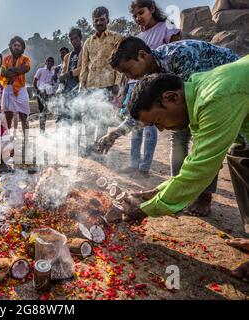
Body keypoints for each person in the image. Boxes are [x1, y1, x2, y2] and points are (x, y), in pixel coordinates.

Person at [122, 56, 249, 282]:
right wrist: (156, 191)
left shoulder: (214, 98)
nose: (161, 130)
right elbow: (195, 160)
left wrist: (145, 209)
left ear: (171, 98)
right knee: (240, 157)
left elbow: (201, 170)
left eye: (158, 121)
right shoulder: (198, 90)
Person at [99, 37, 240, 216]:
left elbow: (204, 138)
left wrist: (148, 210)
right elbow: (145, 113)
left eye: (128, 70)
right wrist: (115, 134)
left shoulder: (182, 56)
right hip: (215, 97)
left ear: (142, 56)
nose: (129, 77)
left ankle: (203, 196)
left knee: (206, 146)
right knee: (180, 138)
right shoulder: (149, 77)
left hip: (226, 91)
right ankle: (177, 192)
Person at [124, 0, 181, 177]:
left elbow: (177, 54)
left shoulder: (167, 27)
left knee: (150, 127)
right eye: (134, 16)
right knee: (136, 125)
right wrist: (125, 89)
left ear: (152, 9)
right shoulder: (139, 38)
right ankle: (134, 164)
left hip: (157, 87)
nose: (137, 18)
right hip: (137, 86)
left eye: (141, 13)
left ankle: (144, 167)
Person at [79, 6, 123, 154]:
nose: (99, 23)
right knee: (89, 118)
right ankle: (89, 145)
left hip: (108, 85)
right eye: (96, 20)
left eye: (102, 20)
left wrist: (117, 84)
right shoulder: (88, 42)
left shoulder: (116, 38)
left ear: (108, 20)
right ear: (93, 22)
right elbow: (85, 67)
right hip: (91, 85)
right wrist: (81, 87)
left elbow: (119, 62)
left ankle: (100, 145)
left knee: (103, 118)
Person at [0, 36, 31, 136]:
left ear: (22, 48)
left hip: (21, 89)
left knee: (24, 115)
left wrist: (11, 70)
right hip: (8, 89)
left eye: (19, 45)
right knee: (8, 115)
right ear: (11, 47)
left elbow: (26, 68)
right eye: (15, 45)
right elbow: (3, 73)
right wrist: (18, 70)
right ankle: (7, 139)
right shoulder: (6, 59)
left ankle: (26, 139)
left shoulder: (26, 59)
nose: (17, 47)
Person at [33, 57, 55, 133]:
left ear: (53, 64)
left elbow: (52, 84)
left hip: (48, 94)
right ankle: (42, 129)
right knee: (41, 110)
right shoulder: (40, 70)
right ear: (45, 62)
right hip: (40, 93)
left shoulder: (52, 73)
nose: (49, 63)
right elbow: (35, 81)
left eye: (51, 62)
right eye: (48, 61)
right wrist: (38, 90)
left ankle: (43, 128)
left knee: (45, 110)